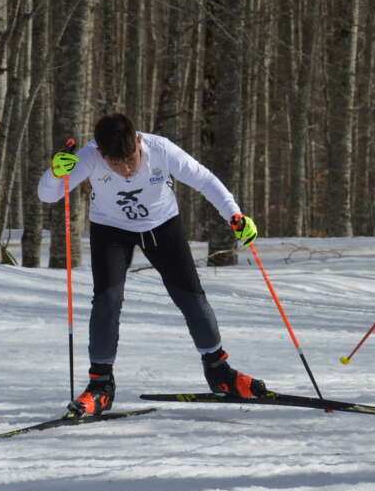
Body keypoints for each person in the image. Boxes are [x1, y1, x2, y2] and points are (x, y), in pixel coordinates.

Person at [38, 113, 266, 416]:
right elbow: (48, 195)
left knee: (191, 297)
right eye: (117, 164)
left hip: (162, 224)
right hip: (111, 230)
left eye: (130, 158)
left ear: (138, 142)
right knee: (107, 300)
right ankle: (101, 385)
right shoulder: (89, 157)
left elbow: (205, 180)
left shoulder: (160, 148)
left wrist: (235, 215)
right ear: (101, 154)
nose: (128, 168)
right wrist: (55, 174)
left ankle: (219, 372)